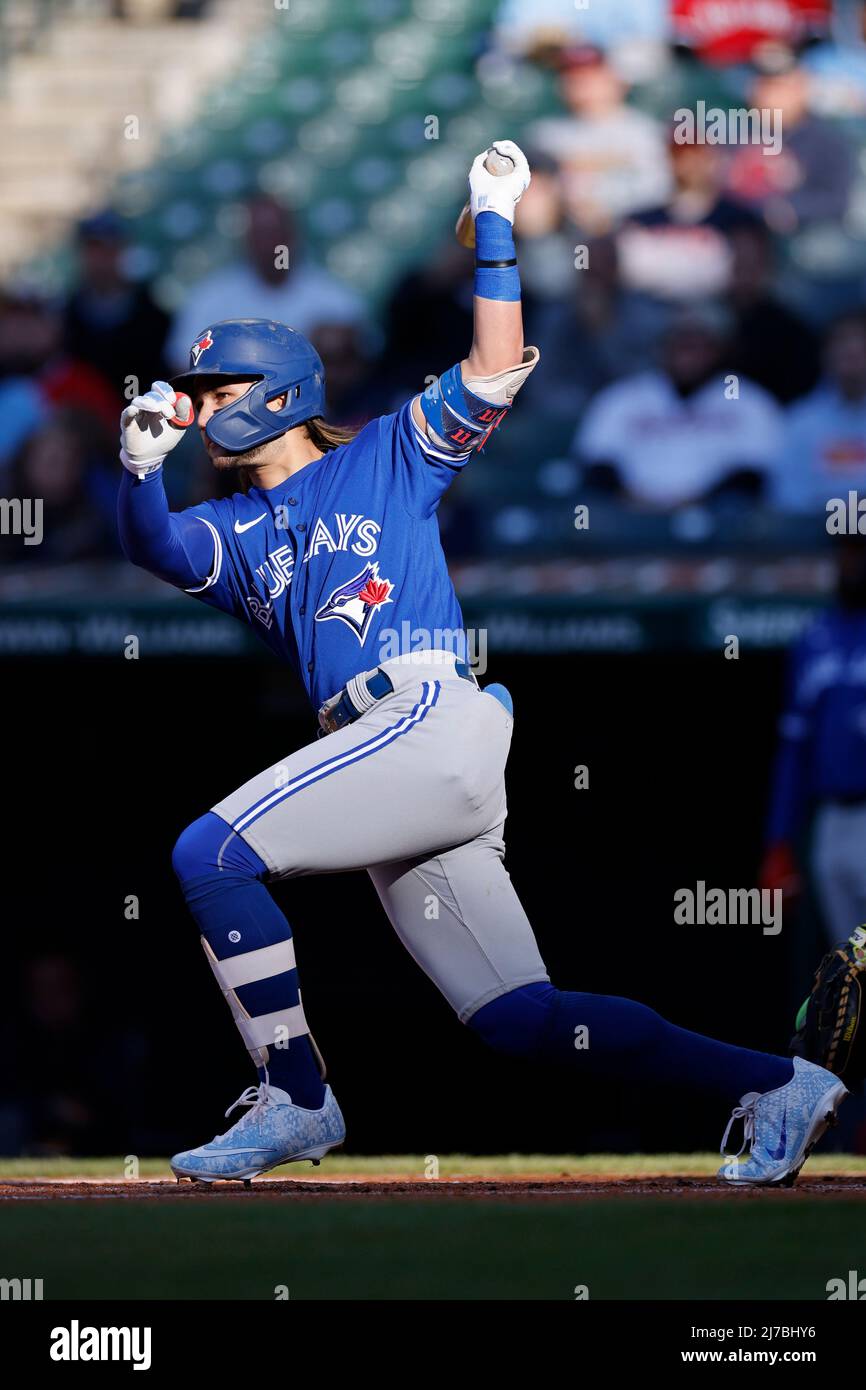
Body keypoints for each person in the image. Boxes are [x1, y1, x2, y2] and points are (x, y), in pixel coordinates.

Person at [117, 141, 845, 1187]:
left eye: (215, 380)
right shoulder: (236, 528)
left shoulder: (379, 452)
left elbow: (495, 367)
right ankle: (779, 1084)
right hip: (395, 762)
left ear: (273, 390)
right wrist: (138, 466)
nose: (200, 399)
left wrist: (493, 223)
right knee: (521, 1017)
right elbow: (153, 546)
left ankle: (295, 1097)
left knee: (207, 853)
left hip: (419, 716)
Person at [573, 302, 783, 508]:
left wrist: (694, 504)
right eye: (681, 341)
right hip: (628, 520)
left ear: (721, 348)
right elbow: (597, 466)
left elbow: (753, 475)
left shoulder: (751, 402)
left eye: (700, 342)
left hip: (720, 527)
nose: (688, 351)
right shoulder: (622, 398)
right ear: (663, 345)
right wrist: (636, 502)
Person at [762, 537, 866, 947]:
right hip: (829, 821)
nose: (852, 563)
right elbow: (793, 750)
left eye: (861, 552)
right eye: (846, 552)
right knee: (849, 967)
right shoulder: (814, 637)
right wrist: (779, 842)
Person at [166, 194, 367, 370]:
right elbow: (182, 364)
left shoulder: (333, 298)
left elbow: (364, 359)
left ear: (292, 236)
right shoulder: (211, 297)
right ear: (246, 240)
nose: (269, 245)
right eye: (260, 235)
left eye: (275, 233)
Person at [527, 45, 671, 236]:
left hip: (634, 228)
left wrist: (606, 209)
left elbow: (660, 190)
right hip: (565, 233)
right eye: (573, 78)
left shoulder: (646, 132)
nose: (582, 86)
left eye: (591, 77)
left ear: (615, 80)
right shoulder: (545, 135)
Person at [775, 310, 866, 512]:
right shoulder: (801, 421)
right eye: (842, 341)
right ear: (826, 354)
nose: (852, 348)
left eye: (860, 340)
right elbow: (788, 500)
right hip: (818, 536)